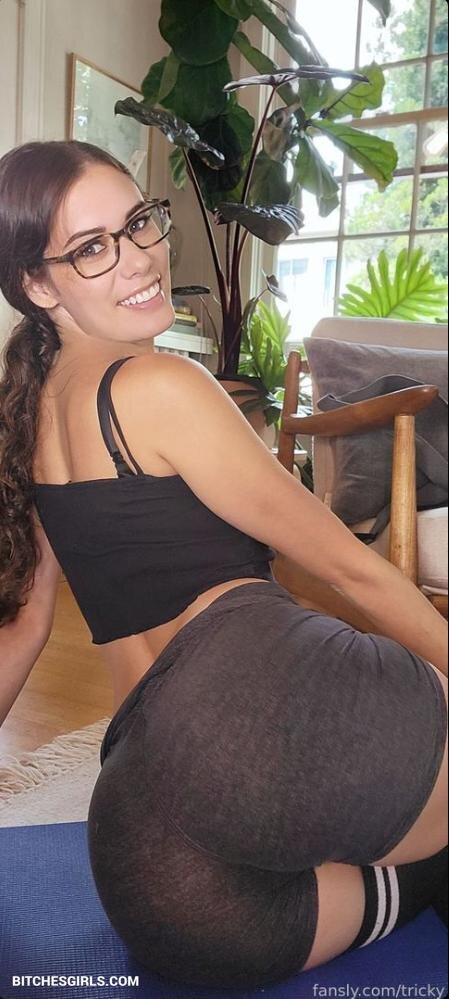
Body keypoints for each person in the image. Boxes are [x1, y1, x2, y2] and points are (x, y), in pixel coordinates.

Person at [0, 139, 447, 989]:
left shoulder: (26, 418)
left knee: (215, 931)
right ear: (37, 284)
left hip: (144, 823)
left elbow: (22, 626)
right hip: (263, 712)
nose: (139, 257)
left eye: (138, 223)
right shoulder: (162, 384)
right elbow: (349, 570)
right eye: (92, 247)